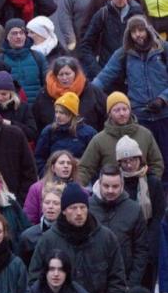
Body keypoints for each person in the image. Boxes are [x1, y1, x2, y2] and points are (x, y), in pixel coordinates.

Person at [29, 183, 126, 293]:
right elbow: (35, 281)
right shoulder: (48, 241)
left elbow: (117, 281)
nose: (79, 213)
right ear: (64, 211)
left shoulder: (106, 238)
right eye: (73, 208)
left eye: (83, 207)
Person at [92, 15, 168, 186]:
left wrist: (163, 99)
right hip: (140, 117)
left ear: (148, 30)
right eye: (133, 31)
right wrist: (89, 91)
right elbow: (105, 75)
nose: (138, 35)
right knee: (143, 163)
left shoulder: (163, 49)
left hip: (164, 115)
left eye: (141, 30)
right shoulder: (123, 54)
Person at [79, 91, 164, 185]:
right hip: (111, 191)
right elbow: (85, 168)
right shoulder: (99, 140)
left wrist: (151, 184)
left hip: (142, 188)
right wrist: (79, 189)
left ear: (130, 110)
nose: (122, 113)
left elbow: (156, 163)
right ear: (109, 113)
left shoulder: (145, 134)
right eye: (117, 110)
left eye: (125, 109)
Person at [116, 135, 166, 290]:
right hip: (124, 243)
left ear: (140, 159)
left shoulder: (152, 182)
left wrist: (149, 243)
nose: (129, 165)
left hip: (148, 242)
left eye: (133, 160)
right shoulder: (117, 184)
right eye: (125, 161)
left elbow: (158, 216)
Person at [89, 165, 149, 287]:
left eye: (115, 186)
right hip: (91, 281)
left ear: (122, 185)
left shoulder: (134, 210)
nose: (110, 190)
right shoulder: (86, 208)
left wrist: (131, 283)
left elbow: (141, 250)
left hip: (123, 282)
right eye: (106, 186)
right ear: (99, 184)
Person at [78, 0, 144, 79]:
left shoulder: (137, 13)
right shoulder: (103, 14)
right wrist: (98, 71)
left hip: (133, 73)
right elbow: (85, 46)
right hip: (108, 72)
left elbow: (149, 41)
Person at [33, 56, 106, 132]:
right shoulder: (44, 94)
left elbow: (105, 116)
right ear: (55, 76)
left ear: (75, 73)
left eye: (68, 74)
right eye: (61, 74)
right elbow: (36, 122)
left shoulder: (92, 91)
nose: (64, 78)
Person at [34, 92, 97, 174]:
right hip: (53, 178)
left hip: (80, 178)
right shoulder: (49, 131)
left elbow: (94, 160)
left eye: (62, 113)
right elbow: (39, 158)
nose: (57, 116)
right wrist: (47, 175)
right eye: (56, 112)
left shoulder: (88, 133)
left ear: (72, 114)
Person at [0, 18, 48, 103]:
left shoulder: (38, 57)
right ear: (7, 37)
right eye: (14, 33)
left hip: (36, 109)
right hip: (12, 111)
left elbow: (46, 84)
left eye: (21, 33)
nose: (18, 36)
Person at [24, 151, 79, 224]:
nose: (66, 166)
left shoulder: (80, 191)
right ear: (53, 167)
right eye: (61, 163)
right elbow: (29, 217)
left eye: (69, 163)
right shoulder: (37, 188)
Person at [18, 185, 62, 266]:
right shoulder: (28, 237)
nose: (50, 206)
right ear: (42, 206)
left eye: (56, 203)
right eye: (47, 202)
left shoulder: (68, 235)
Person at [0, 70, 37, 141]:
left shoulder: (23, 107)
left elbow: (32, 134)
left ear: (11, 93)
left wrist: (10, 123)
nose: (0, 98)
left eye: (4, 94)